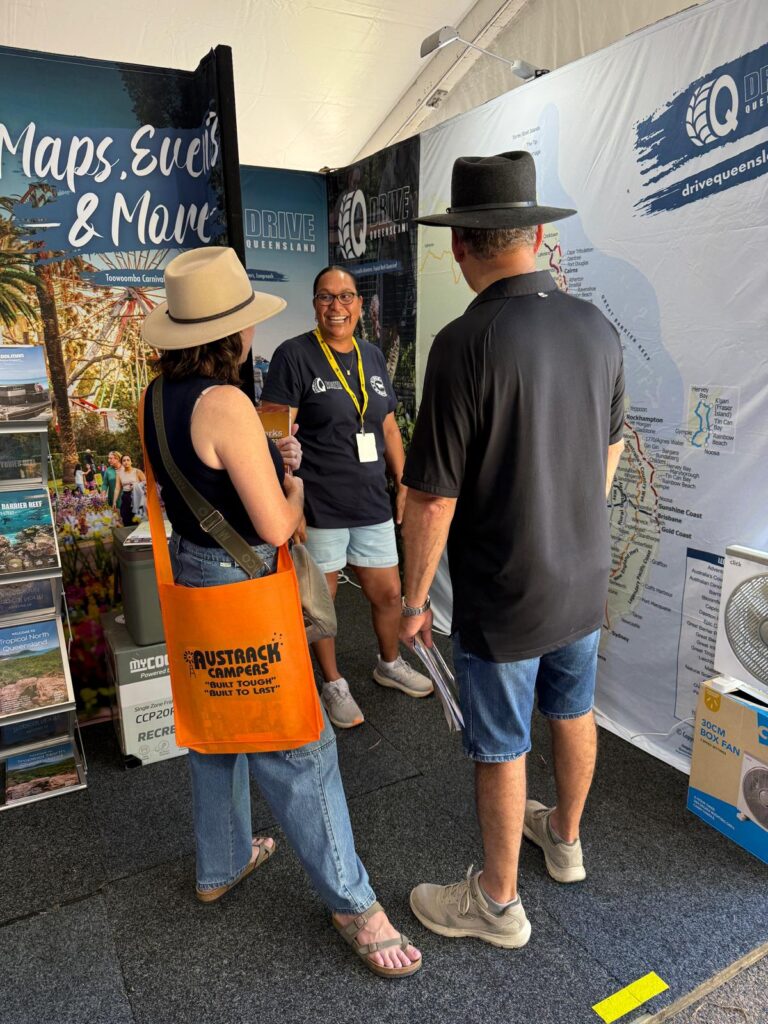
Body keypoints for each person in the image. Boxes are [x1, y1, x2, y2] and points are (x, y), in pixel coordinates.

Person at [140, 246, 421, 978]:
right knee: (301, 742)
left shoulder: (156, 397)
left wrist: (266, 460)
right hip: (244, 584)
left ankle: (221, 863)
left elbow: (195, 481)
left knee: (214, 730)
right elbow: (274, 525)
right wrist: (292, 486)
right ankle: (355, 905)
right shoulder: (226, 402)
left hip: (194, 580)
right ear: (229, 332)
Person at [399, 152, 626, 948]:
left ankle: (497, 904)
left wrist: (412, 600)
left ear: (460, 244)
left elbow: (432, 498)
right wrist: (572, 517)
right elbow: (610, 447)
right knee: (574, 709)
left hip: (505, 587)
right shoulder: (597, 327)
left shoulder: (464, 343)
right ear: (534, 236)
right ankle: (564, 840)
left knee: (500, 744)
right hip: (582, 575)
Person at [260, 267, 432, 730]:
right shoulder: (294, 355)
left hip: (370, 499)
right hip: (319, 504)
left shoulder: (371, 355)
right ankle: (333, 683)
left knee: (389, 593)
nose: (336, 306)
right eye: (326, 297)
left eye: (346, 297)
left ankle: (389, 663)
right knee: (322, 604)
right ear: (315, 304)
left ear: (359, 303)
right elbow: (274, 431)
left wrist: (403, 484)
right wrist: (288, 503)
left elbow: (388, 427)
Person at [113, 453, 146, 526]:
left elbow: (146, 482)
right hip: (125, 497)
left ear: (131, 462)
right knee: (125, 517)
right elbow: (117, 488)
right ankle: (129, 531)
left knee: (138, 518)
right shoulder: (119, 474)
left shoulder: (137, 471)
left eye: (128, 460)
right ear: (122, 463)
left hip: (136, 496)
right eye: (124, 460)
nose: (126, 462)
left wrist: (136, 485)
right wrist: (114, 501)